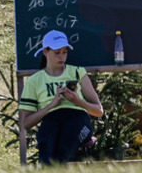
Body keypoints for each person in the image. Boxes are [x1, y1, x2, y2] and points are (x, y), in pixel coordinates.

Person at [19, 30, 103, 165]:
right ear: (45, 52)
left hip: (78, 118)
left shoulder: (77, 71)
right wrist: (52, 104)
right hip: (51, 118)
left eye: (65, 52)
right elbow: (26, 123)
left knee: (64, 147)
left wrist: (77, 101)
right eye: (57, 52)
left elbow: (98, 111)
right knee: (46, 146)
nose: (62, 57)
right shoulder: (34, 81)